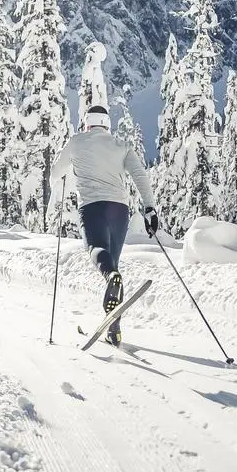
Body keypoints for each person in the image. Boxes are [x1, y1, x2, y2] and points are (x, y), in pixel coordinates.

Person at [50, 104, 159, 346]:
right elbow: (140, 175)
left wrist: (66, 162)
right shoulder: (121, 145)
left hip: (92, 208)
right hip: (120, 211)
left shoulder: (76, 141)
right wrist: (150, 207)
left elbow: (56, 172)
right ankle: (114, 330)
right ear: (106, 124)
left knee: (97, 251)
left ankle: (110, 278)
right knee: (114, 266)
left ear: (86, 122)